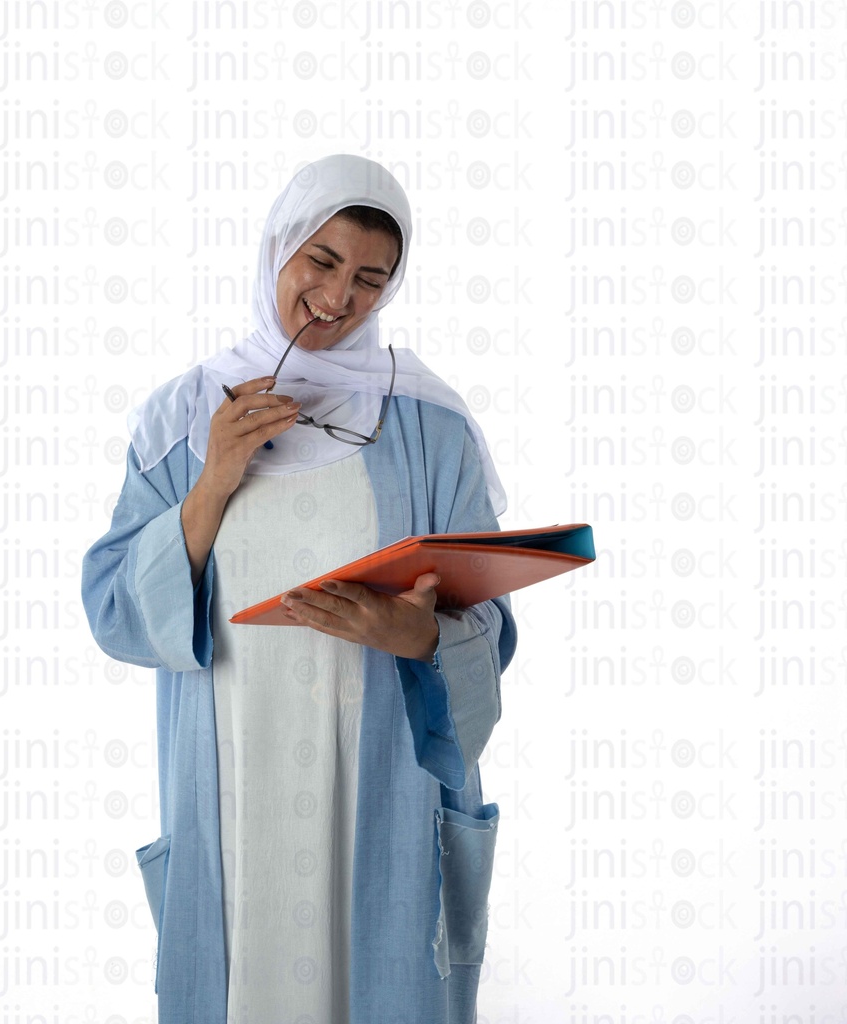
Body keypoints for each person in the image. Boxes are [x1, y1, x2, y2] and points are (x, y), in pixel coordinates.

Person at [81, 154, 518, 1024]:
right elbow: (115, 611)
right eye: (320, 260)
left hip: (383, 780)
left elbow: (490, 628)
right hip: (236, 783)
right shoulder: (184, 420)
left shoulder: (430, 425)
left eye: (370, 278)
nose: (337, 295)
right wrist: (215, 481)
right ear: (278, 247)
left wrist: (419, 637)